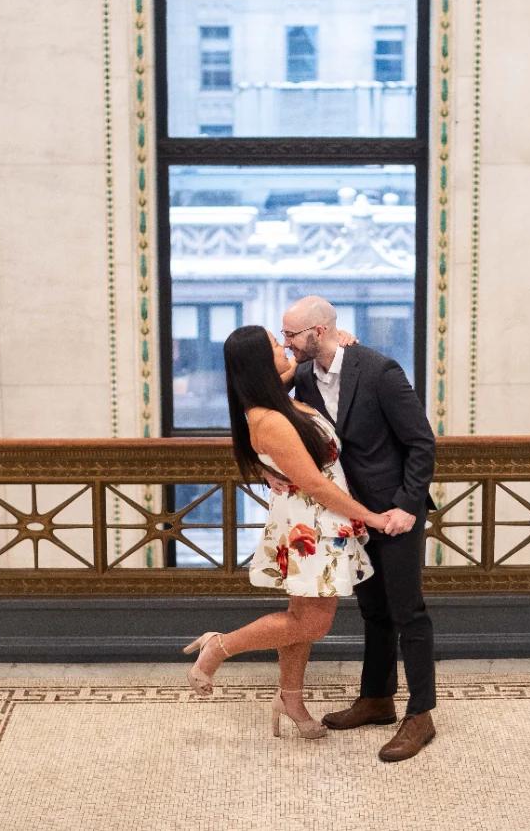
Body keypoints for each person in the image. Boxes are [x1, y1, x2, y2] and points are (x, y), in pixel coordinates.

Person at [183, 325, 390, 740]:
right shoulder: (270, 418)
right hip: (313, 523)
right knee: (313, 623)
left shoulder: (270, 396)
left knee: (300, 617)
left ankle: (290, 698)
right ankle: (219, 646)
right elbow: (314, 483)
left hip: (316, 518)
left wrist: (337, 339)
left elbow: (302, 363)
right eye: (277, 345)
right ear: (262, 361)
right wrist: (371, 516)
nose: (285, 348)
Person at [283, 295, 438, 762]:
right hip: (349, 513)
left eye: (291, 335)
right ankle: (376, 699)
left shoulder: (379, 371)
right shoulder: (304, 377)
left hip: (395, 511)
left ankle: (421, 714)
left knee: (408, 611)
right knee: (373, 609)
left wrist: (407, 506)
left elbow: (421, 443)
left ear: (317, 331)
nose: (287, 344)